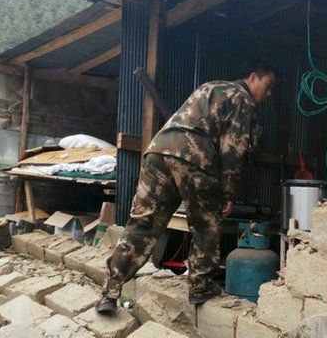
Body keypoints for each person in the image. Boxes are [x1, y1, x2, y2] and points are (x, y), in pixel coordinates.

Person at [96, 59, 277, 314]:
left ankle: (109, 292)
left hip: (158, 151)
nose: (268, 94)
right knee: (205, 224)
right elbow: (232, 149)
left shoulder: (211, 87)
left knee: (142, 224)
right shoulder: (242, 100)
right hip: (194, 155)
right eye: (268, 86)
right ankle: (200, 286)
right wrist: (227, 191)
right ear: (253, 77)